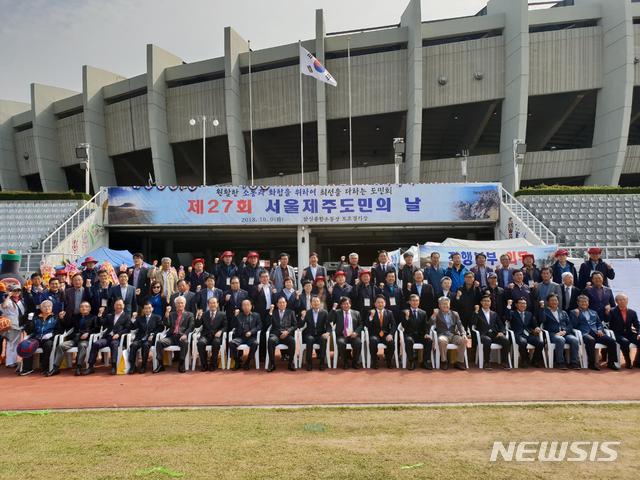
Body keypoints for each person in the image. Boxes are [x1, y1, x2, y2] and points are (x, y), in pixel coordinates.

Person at [570, 294, 619, 371]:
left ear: (588, 303)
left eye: (585, 302)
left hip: (596, 333)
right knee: (591, 340)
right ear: (578, 303)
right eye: (581, 302)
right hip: (584, 333)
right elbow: (573, 325)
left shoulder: (594, 312)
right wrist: (576, 316)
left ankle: (611, 363)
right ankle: (592, 363)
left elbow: (599, 324)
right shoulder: (574, 312)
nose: (584, 303)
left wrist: (599, 330)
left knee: (612, 341)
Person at [49, 301, 98, 376]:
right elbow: (67, 326)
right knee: (61, 346)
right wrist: (61, 319)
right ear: (79, 308)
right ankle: (56, 368)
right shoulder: (75, 316)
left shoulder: (93, 317)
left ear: (90, 308)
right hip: (74, 339)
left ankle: (78, 367)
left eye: (86, 307)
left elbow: (96, 329)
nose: (84, 308)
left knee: (82, 346)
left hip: (85, 339)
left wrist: (88, 333)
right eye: (82, 307)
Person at [84, 299, 131, 375]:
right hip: (107, 337)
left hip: (117, 338)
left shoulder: (127, 316)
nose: (118, 306)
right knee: (96, 344)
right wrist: (99, 315)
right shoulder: (110, 315)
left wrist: (118, 334)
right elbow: (101, 323)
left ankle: (113, 366)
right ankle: (90, 366)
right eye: (116, 305)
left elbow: (127, 329)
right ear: (114, 306)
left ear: (123, 306)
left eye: (120, 305)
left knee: (114, 344)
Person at [153, 296, 194, 374]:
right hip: (171, 336)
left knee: (184, 342)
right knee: (159, 342)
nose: (180, 305)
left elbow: (191, 327)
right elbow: (166, 324)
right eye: (178, 303)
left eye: (181, 303)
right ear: (175, 305)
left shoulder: (190, 315)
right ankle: (160, 364)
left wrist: (185, 334)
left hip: (181, 336)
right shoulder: (171, 314)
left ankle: (181, 363)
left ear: (184, 304)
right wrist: (167, 315)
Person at [540, 293, 580, 370]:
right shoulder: (545, 312)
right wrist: (541, 308)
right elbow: (542, 320)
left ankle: (574, 363)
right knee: (560, 339)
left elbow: (570, 325)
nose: (554, 302)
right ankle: (560, 362)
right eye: (551, 300)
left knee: (574, 340)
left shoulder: (563, 312)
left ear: (558, 302)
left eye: (555, 300)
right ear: (548, 302)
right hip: (552, 334)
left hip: (564, 333)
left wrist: (564, 331)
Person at [20, 299, 58, 376]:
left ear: (52, 308)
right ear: (41, 308)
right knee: (27, 345)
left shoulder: (55, 317)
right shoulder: (36, 318)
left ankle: (45, 368)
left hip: (48, 339)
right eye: (45, 307)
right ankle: (27, 368)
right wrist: (29, 320)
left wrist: (51, 334)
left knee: (48, 345)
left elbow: (59, 330)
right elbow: (29, 331)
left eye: (49, 306)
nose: (47, 308)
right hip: (36, 338)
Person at [472, 296, 511, 370]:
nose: (486, 303)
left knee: (505, 340)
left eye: (488, 301)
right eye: (484, 301)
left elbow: (501, 325)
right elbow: (473, 323)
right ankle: (487, 362)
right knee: (487, 340)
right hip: (483, 334)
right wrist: (476, 312)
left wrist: (502, 332)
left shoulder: (494, 314)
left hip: (494, 334)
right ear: (481, 302)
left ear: (490, 303)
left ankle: (505, 362)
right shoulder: (478, 313)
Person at [431, 297, 467, 370]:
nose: (445, 306)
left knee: (463, 340)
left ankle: (459, 362)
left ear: (449, 305)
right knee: (442, 341)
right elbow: (430, 324)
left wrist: (463, 334)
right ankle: (444, 361)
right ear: (439, 305)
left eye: (447, 304)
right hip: (442, 334)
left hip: (453, 334)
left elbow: (460, 325)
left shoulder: (455, 314)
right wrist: (433, 315)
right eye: (443, 304)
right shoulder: (437, 313)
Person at [507, 297, 544, 368]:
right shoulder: (512, 313)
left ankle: (535, 360)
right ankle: (524, 360)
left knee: (540, 342)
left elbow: (534, 324)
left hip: (528, 334)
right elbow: (507, 317)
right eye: (520, 303)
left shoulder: (529, 314)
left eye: (524, 303)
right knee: (523, 342)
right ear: (516, 305)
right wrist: (509, 305)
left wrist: (536, 327)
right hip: (518, 334)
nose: (522, 305)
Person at [127, 301, 162, 374]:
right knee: (133, 345)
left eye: (149, 308)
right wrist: (133, 319)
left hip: (150, 339)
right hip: (140, 338)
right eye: (145, 308)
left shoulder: (157, 317)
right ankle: (133, 366)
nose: (147, 310)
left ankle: (143, 365)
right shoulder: (140, 318)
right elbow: (132, 327)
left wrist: (152, 334)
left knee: (145, 345)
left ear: (152, 308)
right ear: (143, 309)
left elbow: (160, 328)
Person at [401, 294, 433, 370]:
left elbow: (426, 325)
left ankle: (425, 362)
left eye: (417, 301)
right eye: (413, 301)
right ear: (409, 302)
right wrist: (407, 317)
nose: (415, 302)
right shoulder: (405, 312)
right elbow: (403, 326)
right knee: (408, 341)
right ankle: (411, 362)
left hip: (420, 335)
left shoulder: (423, 313)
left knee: (429, 340)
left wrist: (426, 334)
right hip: (409, 334)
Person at [608, 293, 640, 368]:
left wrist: (639, 333)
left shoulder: (632, 312)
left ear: (627, 301)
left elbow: (637, 325)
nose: (622, 301)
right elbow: (607, 322)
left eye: (624, 299)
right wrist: (607, 313)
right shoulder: (612, 311)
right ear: (616, 301)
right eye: (620, 300)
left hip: (629, 333)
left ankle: (637, 361)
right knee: (625, 342)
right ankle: (628, 361)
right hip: (617, 333)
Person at [330, 296, 363, 369]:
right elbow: (330, 320)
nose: (346, 305)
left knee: (358, 343)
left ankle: (355, 362)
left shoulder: (356, 313)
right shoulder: (337, 312)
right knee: (341, 343)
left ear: (350, 304)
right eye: (344, 304)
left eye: (347, 304)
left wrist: (356, 332)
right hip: (342, 335)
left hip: (353, 335)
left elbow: (361, 325)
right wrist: (333, 309)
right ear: (341, 305)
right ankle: (345, 362)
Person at [228, 298, 261, 370]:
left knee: (255, 343)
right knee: (231, 343)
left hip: (251, 337)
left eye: (247, 305)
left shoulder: (256, 315)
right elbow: (232, 325)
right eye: (244, 305)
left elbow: (259, 326)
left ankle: (248, 361)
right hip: (240, 337)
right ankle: (237, 361)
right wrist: (235, 316)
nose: (246, 307)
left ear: (251, 306)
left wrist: (251, 332)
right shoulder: (239, 315)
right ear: (242, 307)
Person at [196, 297, 227, 372]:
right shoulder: (204, 314)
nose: (212, 305)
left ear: (217, 304)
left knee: (216, 343)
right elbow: (197, 325)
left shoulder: (222, 314)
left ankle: (213, 364)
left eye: (214, 303)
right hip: (206, 335)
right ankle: (204, 365)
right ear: (208, 304)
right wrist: (199, 317)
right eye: (210, 303)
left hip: (216, 335)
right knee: (200, 343)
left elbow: (225, 326)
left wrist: (220, 331)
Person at [266, 296, 297, 372]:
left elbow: (295, 325)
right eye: (280, 303)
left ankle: (290, 363)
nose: (282, 304)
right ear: (277, 304)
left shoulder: (291, 312)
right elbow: (267, 323)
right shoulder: (273, 312)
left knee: (292, 341)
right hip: (276, 335)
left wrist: (287, 331)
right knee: (271, 341)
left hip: (286, 335)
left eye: (283, 302)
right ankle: (272, 364)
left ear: (286, 304)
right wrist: (270, 312)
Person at [299, 296, 329, 370]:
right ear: (311, 303)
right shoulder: (307, 312)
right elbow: (300, 325)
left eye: (317, 301)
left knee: (323, 339)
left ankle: (322, 362)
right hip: (309, 334)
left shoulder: (324, 312)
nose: (315, 303)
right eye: (314, 301)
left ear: (320, 303)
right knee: (309, 339)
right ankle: (309, 362)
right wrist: (302, 317)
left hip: (320, 334)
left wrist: (328, 332)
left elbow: (328, 325)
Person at [366, 295, 396, 369]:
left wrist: (391, 334)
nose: (380, 304)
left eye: (382, 302)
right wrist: (371, 317)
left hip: (386, 335)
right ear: (375, 304)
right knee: (373, 340)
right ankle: (374, 361)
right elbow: (367, 325)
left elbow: (394, 325)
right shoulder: (371, 312)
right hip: (375, 334)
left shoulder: (389, 312)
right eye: (378, 302)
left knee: (391, 342)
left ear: (385, 303)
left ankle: (389, 360)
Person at [1, 286, 26, 368]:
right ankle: (9, 362)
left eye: (19, 290)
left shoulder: (20, 300)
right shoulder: (8, 300)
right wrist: (8, 296)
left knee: (16, 343)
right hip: (11, 325)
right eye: (15, 290)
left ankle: (14, 361)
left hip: (19, 324)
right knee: (11, 343)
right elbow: (4, 306)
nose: (17, 292)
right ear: (11, 291)